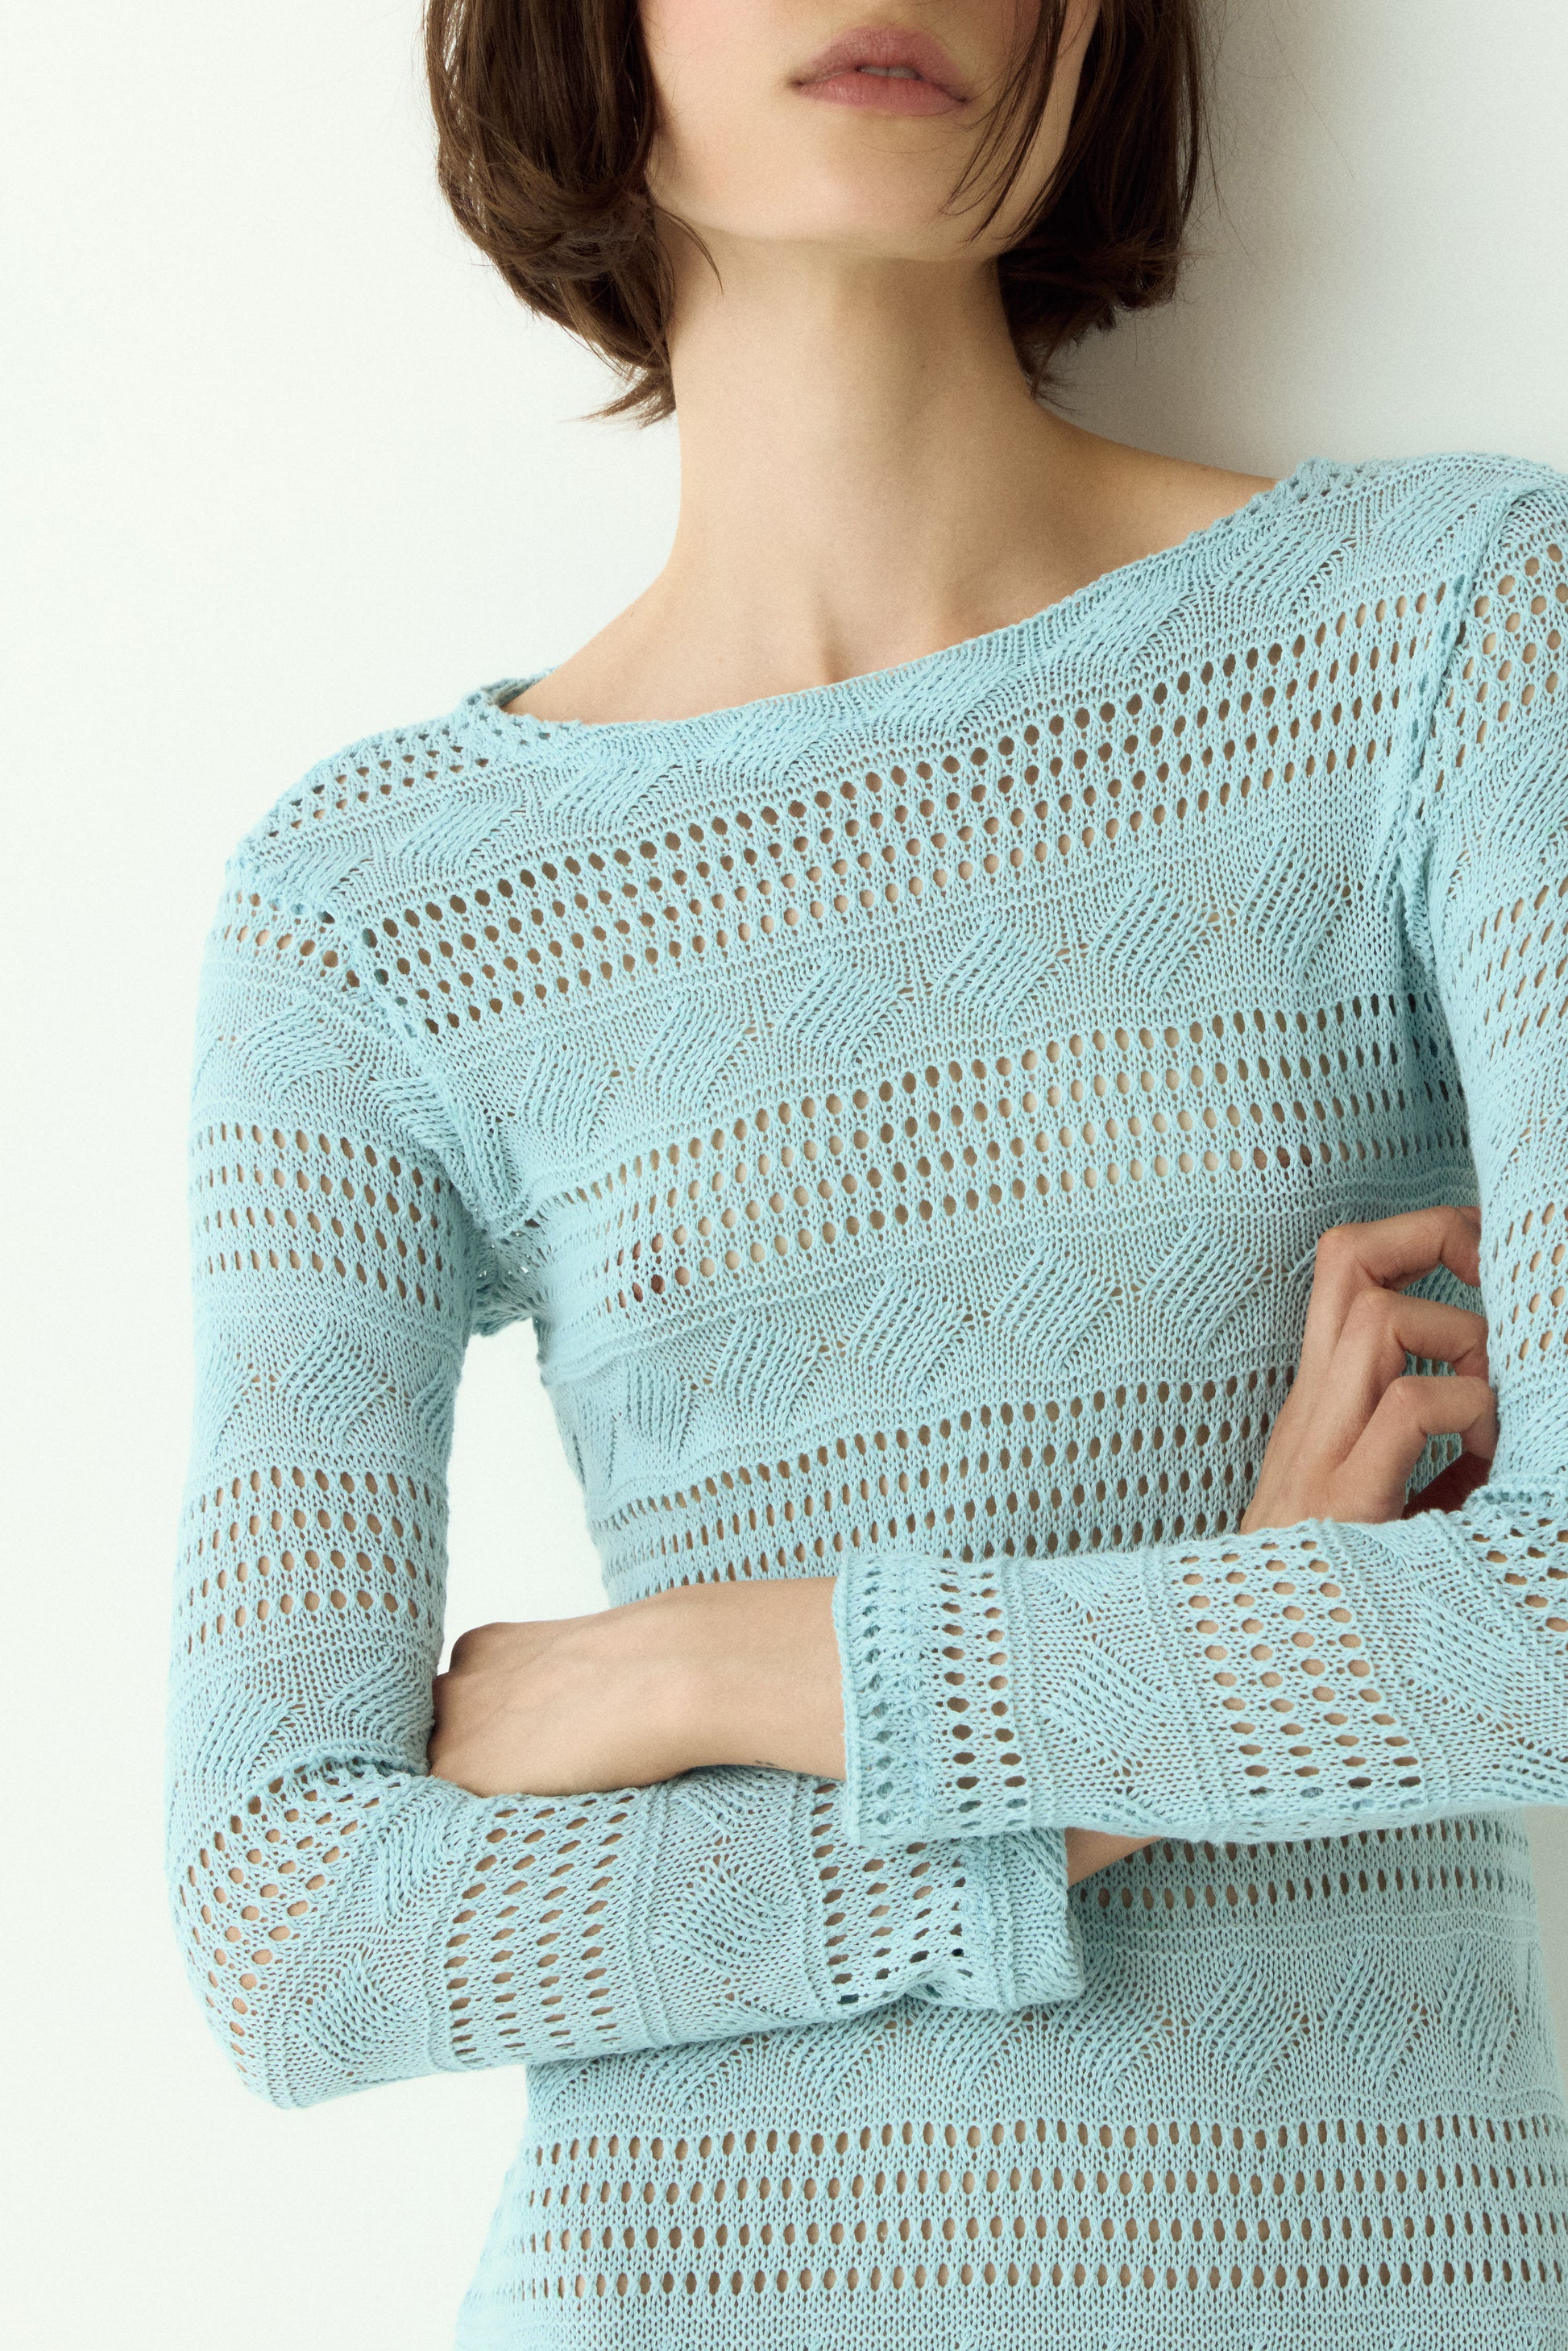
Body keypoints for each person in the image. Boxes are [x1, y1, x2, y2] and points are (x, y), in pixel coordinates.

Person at [164, 2, 1568, 2345]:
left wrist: (716, 1664)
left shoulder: (1443, 637)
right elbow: (293, 1928)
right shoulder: (376, 907)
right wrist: (1133, 1747)